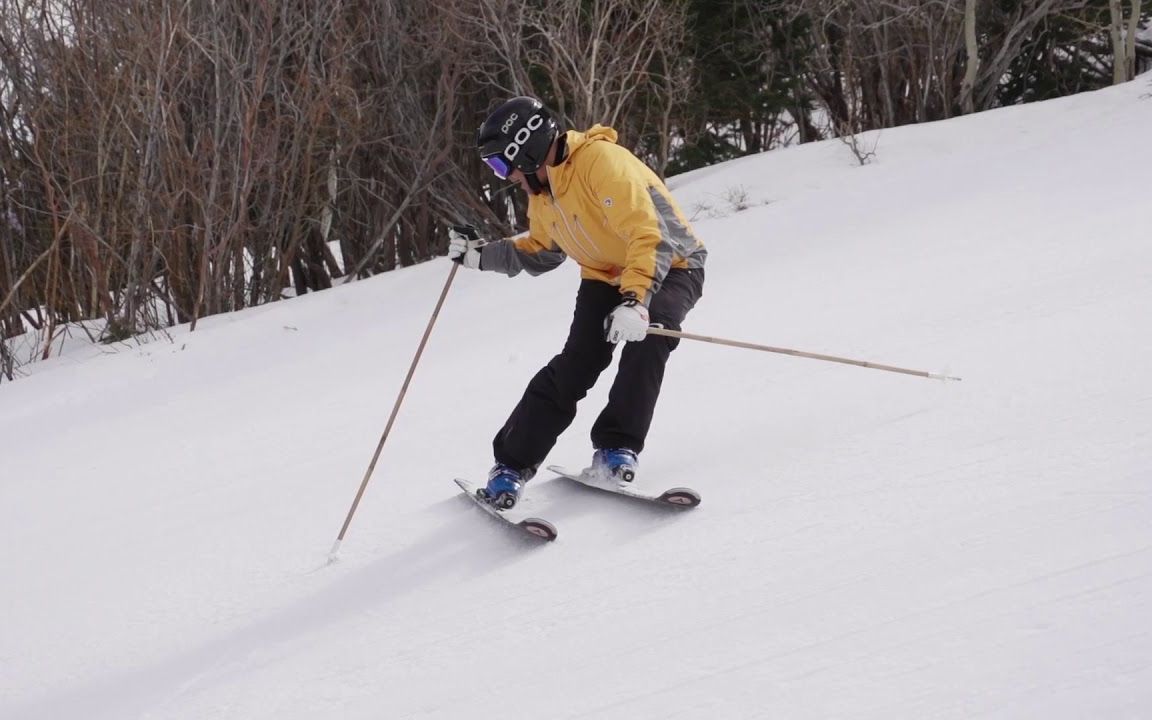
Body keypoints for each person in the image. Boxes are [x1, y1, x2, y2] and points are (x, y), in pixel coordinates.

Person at [448, 96, 706, 510]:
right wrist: (481, 257)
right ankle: (511, 466)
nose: (504, 176)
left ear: (525, 148)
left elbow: (648, 235)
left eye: (500, 164)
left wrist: (636, 301)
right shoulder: (545, 189)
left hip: (673, 264)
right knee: (578, 364)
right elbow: (544, 250)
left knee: (651, 334)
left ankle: (617, 448)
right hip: (604, 275)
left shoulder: (602, 163)